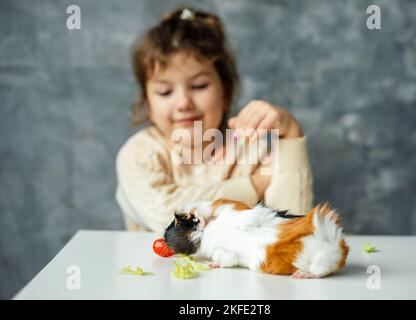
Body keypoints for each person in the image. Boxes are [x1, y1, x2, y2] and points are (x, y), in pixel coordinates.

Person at [115, 7, 313, 233]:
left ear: (226, 92)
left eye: (199, 86)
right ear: (148, 103)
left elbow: (291, 229)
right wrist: (255, 185)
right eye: (164, 92)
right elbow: (166, 216)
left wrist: (290, 133)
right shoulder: (140, 154)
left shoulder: (250, 149)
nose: (183, 103)